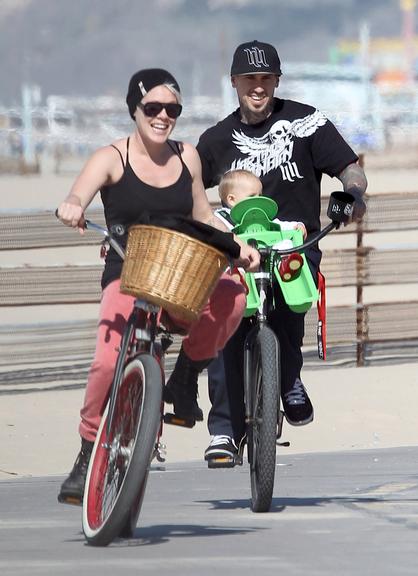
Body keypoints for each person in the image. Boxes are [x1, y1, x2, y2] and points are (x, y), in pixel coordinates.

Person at [56, 68, 260, 504]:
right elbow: (77, 196)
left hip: (179, 273)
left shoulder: (187, 156)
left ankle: (185, 376)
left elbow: (203, 214)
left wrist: (237, 243)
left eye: (172, 109)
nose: (163, 115)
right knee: (108, 363)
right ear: (135, 108)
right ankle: (88, 447)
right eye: (153, 107)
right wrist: (72, 206)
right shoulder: (112, 157)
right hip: (128, 273)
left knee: (233, 294)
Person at [196, 40, 368, 463]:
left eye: (266, 78)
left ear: (277, 81)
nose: (258, 87)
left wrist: (353, 194)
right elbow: (186, 188)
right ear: (234, 81)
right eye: (249, 79)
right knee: (225, 327)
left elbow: (351, 169)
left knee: (291, 306)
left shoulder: (307, 122)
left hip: (294, 245)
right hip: (237, 252)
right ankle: (224, 431)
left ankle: (288, 376)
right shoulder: (216, 139)